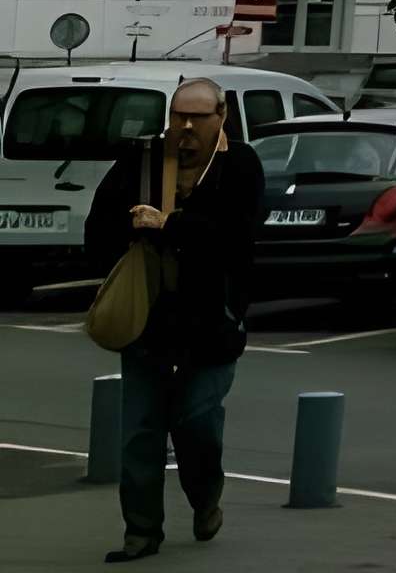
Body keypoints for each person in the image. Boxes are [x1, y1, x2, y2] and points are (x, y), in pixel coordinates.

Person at [85, 78, 262, 562]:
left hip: (213, 321)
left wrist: (171, 225)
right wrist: (132, 226)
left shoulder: (239, 164)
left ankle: (206, 497)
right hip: (150, 317)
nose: (184, 128)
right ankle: (140, 533)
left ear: (221, 118)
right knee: (140, 430)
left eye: (197, 118)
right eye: (178, 116)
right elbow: (96, 231)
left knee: (196, 421)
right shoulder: (142, 161)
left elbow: (237, 237)